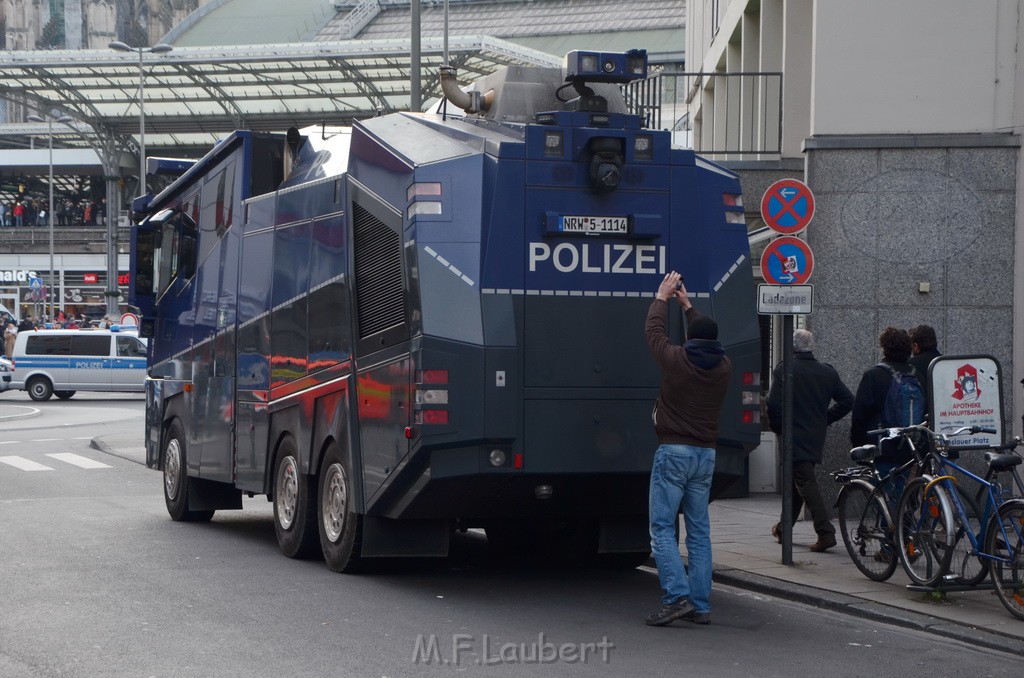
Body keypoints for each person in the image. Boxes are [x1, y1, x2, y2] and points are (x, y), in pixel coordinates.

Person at [644, 271, 731, 627]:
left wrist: (662, 298)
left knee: (662, 528)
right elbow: (705, 335)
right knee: (699, 530)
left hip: (674, 453)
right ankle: (700, 603)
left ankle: (676, 597)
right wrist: (690, 307)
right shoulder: (724, 367)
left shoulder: (677, 360)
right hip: (705, 455)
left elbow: (653, 333)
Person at [765, 329, 854, 552]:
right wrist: (824, 419)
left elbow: (773, 405)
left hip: (792, 436)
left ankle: (826, 532)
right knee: (799, 481)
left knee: (804, 482)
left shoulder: (784, 369)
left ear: (792, 347)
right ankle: (784, 529)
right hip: (814, 436)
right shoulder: (826, 372)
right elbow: (847, 401)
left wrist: (779, 430)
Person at [850, 327, 921, 477]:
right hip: (911, 449)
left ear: (883, 348)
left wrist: (859, 445)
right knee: (909, 496)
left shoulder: (874, 375)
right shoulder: (917, 375)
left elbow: (859, 415)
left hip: (882, 449)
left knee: (883, 496)